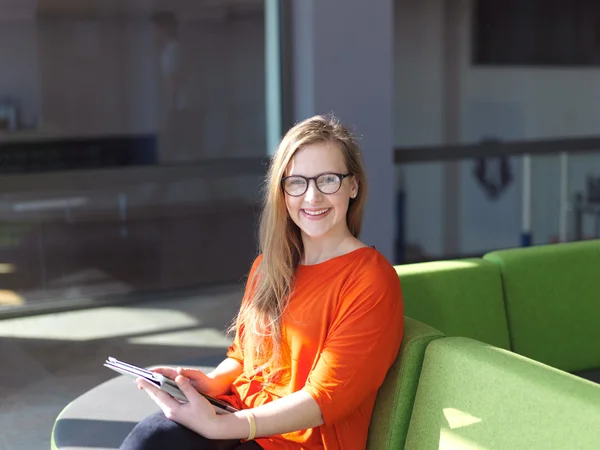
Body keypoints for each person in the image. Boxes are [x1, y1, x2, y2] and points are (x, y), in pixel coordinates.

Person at [120, 114, 404, 450]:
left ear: (353, 185)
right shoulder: (267, 267)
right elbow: (244, 356)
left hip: (299, 442)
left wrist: (218, 427)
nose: (311, 197)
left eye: (328, 180)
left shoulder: (370, 279)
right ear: (282, 192)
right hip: (238, 415)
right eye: (297, 182)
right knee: (149, 440)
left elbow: (324, 400)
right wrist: (212, 384)